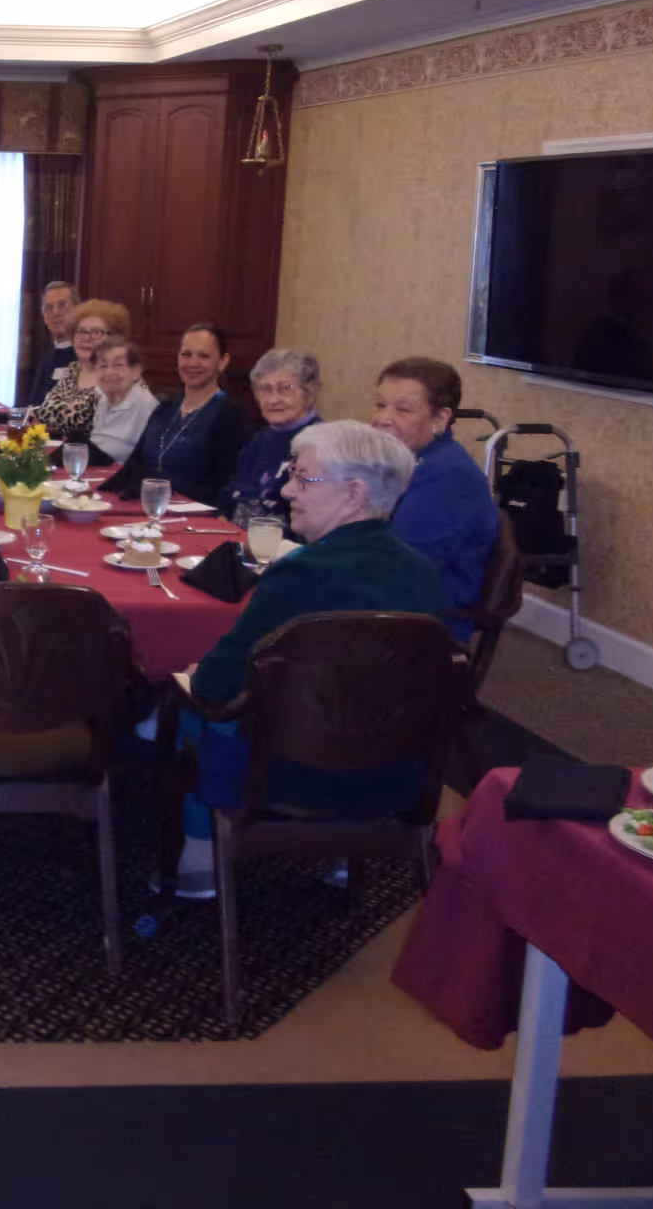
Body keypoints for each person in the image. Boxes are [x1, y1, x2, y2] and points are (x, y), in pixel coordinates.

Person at [164, 421, 450, 897]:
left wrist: (192, 676)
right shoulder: (423, 573)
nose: (287, 489)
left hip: (286, 773)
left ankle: (199, 859)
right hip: (395, 773)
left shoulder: (300, 574)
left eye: (304, 479)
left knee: (187, 707)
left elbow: (218, 687)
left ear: (354, 493)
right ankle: (340, 855)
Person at [370, 356, 500, 633]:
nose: (383, 419)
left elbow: (395, 566)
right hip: (389, 596)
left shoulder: (448, 475)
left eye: (404, 409)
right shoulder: (403, 459)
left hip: (419, 624)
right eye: (380, 405)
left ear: (440, 418)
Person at [107, 323, 253, 506]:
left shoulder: (230, 415)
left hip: (194, 517)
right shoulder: (166, 407)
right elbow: (135, 465)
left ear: (223, 362)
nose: (192, 363)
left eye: (204, 356)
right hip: (145, 508)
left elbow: (224, 487)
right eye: (186, 354)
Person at [221, 348, 322, 526]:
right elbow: (230, 495)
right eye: (265, 389)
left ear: (309, 392)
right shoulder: (259, 440)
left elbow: (313, 520)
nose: (273, 399)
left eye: (286, 389)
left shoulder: (322, 445)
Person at [36, 300, 131, 440]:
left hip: (98, 458)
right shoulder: (73, 369)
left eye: (96, 332)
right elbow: (46, 415)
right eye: (80, 332)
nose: (86, 338)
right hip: (55, 452)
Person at [88, 337, 159, 465]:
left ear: (136, 371)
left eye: (118, 365)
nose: (109, 372)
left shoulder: (145, 406)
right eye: (103, 366)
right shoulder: (100, 397)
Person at [24, 280, 80, 405]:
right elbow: (33, 406)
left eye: (62, 305)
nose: (55, 313)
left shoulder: (86, 357)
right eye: (49, 308)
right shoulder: (44, 357)